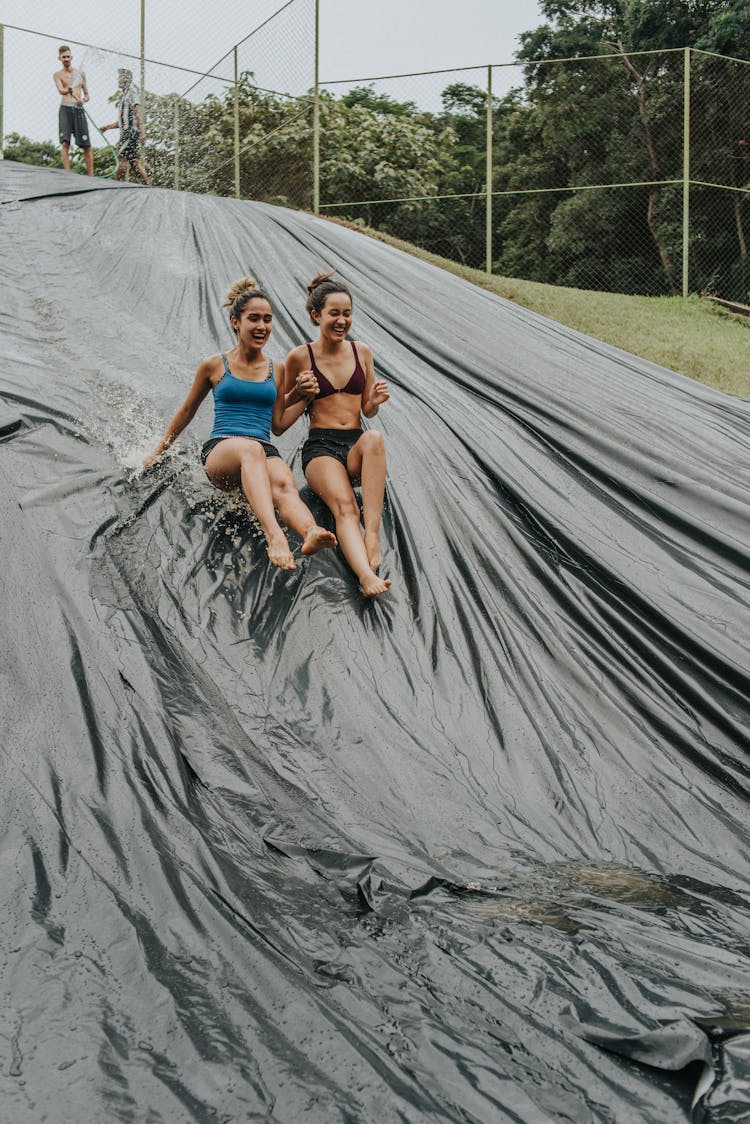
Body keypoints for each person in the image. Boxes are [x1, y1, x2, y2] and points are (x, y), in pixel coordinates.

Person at [144, 278, 337, 571]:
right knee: (250, 450)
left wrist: (301, 395)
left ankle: (309, 531)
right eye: (254, 319)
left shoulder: (278, 368)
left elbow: (279, 424)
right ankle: (275, 537)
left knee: (284, 481)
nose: (262, 326)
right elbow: (186, 411)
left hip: (262, 449)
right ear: (236, 322)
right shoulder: (214, 365)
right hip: (223, 452)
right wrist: (158, 451)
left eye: (268, 320)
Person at [281, 273, 391, 598]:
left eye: (347, 313)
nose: (342, 320)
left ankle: (371, 535)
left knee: (375, 439)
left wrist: (375, 400)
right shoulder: (300, 357)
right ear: (317, 316)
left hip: (355, 445)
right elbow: (279, 421)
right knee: (345, 509)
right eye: (334, 313)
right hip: (321, 449)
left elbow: (367, 411)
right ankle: (365, 575)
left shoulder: (363, 352)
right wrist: (298, 393)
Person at [100, 69, 150, 186]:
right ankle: (148, 185)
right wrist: (107, 127)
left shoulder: (132, 92)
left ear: (127, 79)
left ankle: (115, 184)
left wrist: (142, 132)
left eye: (121, 77)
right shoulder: (124, 95)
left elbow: (138, 112)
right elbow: (122, 121)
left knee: (122, 158)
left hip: (130, 132)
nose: (119, 79)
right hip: (128, 132)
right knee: (134, 162)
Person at [53, 45, 93, 175]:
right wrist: (68, 89)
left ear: (72, 57)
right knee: (65, 142)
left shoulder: (80, 74)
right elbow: (61, 90)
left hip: (78, 109)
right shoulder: (58, 75)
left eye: (68, 56)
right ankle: (67, 173)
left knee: (86, 144)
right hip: (65, 109)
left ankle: (91, 175)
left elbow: (87, 95)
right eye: (63, 57)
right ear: (59, 58)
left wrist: (83, 100)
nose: (66, 59)